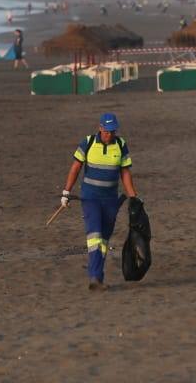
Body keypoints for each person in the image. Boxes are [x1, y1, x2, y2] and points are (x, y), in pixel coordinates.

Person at [59, 112, 139, 290]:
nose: (109, 134)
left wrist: (133, 197)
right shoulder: (88, 143)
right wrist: (66, 192)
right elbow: (76, 168)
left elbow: (125, 172)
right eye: (106, 131)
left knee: (103, 239)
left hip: (111, 200)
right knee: (94, 235)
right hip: (90, 198)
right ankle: (94, 277)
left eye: (112, 131)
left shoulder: (121, 145)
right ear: (100, 128)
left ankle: (98, 278)